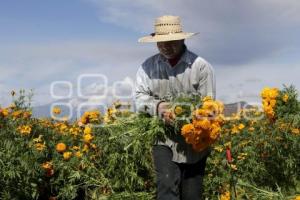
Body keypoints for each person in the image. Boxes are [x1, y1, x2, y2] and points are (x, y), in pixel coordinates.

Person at [135, 15, 215, 200]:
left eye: (171, 41)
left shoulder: (200, 67)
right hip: (163, 137)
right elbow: (139, 97)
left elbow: (209, 105)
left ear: (182, 38)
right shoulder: (148, 67)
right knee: (166, 185)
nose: (165, 46)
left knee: (192, 195)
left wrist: (190, 117)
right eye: (160, 42)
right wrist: (158, 106)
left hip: (195, 142)